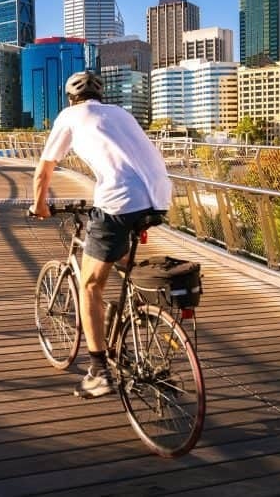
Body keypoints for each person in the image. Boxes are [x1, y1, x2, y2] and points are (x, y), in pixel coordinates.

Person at [28, 70, 172, 398]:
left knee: (90, 285)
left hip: (120, 200)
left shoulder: (70, 116)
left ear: (70, 98)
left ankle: (98, 371)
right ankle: (138, 309)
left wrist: (39, 205)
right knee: (117, 254)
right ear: (101, 96)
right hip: (160, 195)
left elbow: (44, 170)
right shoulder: (120, 113)